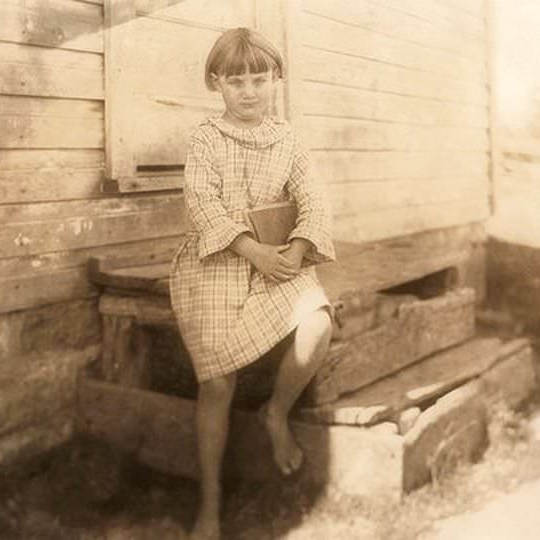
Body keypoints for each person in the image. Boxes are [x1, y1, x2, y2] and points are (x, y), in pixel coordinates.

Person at [169, 27, 336, 539]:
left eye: (259, 80)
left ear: (274, 81)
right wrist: (252, 250)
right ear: (216, 83)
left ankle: (276, 414)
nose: (249, 91)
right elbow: (203, 205)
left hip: (279, 259)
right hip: (216, 262)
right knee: (217, 381)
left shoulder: (287, 137)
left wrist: (298, 250)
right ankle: (211, 504)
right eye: (236, 81)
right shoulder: (205, 138)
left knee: (318, 324)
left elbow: (314, 200)